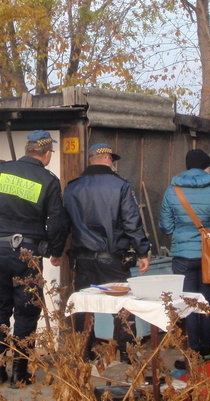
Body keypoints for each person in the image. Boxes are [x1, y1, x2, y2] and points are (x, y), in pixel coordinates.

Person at [0, 130, 68, 387]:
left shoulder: (0, 172)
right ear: (47, 153)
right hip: (27, 255)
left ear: (28, 149)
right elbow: (57, 223)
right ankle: (20, 372)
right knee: (27, 309)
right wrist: (55, 251)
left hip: (0, 251)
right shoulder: (48, 180)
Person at [63, 143, 151, 362]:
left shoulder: (72, 187)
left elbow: (63, 223)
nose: (113, 163)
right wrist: (143, 251)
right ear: (107, 159)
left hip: (82, 258)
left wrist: (56, 251)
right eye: (112, 159)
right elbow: (132, 222)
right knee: (122, 308)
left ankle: (82, 354)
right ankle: (126, 356)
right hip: (112, 258)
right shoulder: (120, 186)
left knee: (83, 307)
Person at [158, 149, 210, 365]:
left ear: (187, 166)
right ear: (206, 166)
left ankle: (192, 353)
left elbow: (166, 226)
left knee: (188, 302)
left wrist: (180, 231)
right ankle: (207, 351)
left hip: (182, 255)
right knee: (207, 301)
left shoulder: (173, 190)